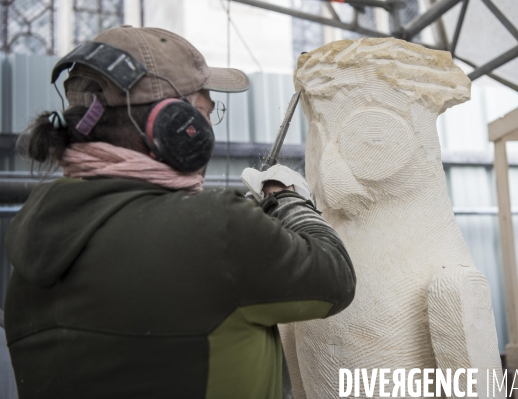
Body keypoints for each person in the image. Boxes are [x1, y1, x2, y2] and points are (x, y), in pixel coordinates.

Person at [3, 26, 355, 398]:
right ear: (176, 127)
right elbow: (335, 278)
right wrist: (286, 198)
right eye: (204, 110)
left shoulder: (32, 244)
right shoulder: (216, 230)